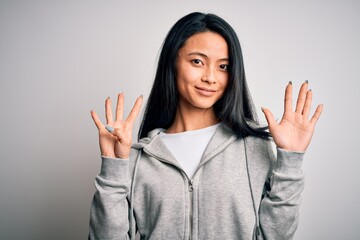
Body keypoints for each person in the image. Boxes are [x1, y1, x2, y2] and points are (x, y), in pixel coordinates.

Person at [89, 12, 323, 240]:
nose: (211, 77)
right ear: (173, 62)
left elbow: (276, 235)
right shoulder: (138, 159)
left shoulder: (253, 148)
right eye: (197, 61)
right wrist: (113, 168)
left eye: (223, 67)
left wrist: (290, 160)